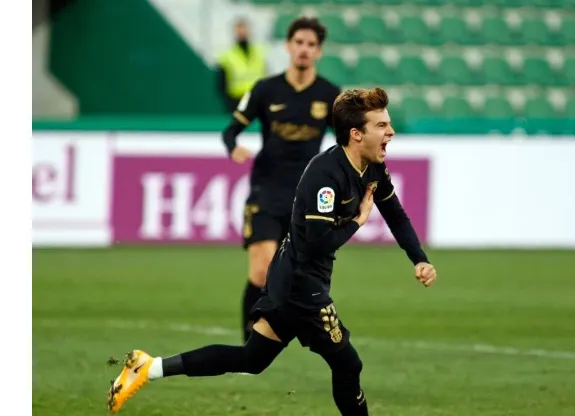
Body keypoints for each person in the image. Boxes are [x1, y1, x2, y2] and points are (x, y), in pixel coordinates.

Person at [105, 87, 438, 415]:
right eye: (381, 126)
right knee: (348, 363)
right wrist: (359, 220)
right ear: (355, 134)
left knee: (252, 359)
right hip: (300, 285)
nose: (391, 132)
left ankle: (149, 367)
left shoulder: (373, 168)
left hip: (294, 276)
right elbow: (318, 243)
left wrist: (419, 258)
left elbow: (394, 211)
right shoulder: (326, 176)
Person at [221, 16, 341, 343]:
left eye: (311, 45)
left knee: (293, 277)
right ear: (288, 47)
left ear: (319, 51)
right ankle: (248, 340)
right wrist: (233, 147)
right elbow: (230, 129)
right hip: (266, 191)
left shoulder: (330, 95)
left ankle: (273, 337)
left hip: (305, 198)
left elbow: (349, 139)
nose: (303, 50)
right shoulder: (265, 89)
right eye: (298, 43)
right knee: (261, 270)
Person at [216, 18, 267, 113]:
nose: (242, 32)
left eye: (244, 29)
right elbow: (221, 83)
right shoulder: (227, 55)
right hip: (236, 100)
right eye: (239, 29)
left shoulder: (260, 52)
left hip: (257, 99)